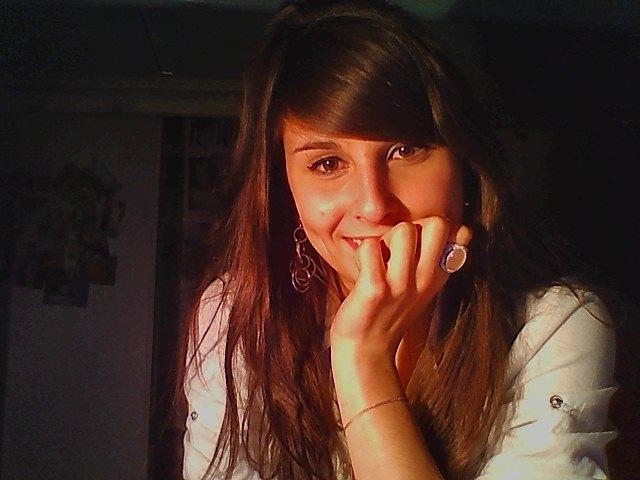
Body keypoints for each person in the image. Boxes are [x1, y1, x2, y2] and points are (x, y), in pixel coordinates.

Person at [180, 1, 619, 479]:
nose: (374, 205)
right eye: (327, 164)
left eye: (405, 150)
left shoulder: (549, 322)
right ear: (286, 189)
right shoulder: (237, 313)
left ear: (463, 163)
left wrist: (362, 360)